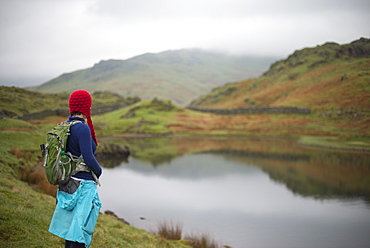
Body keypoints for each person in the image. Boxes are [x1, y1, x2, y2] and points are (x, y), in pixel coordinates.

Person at [49, 90, 102, 248]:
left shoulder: (65, 126)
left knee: (70, 230)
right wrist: (98, 172)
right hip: (83, 186)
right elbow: (88, 157)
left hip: (68, 183)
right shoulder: (82, 129)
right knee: (80, 232)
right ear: (87, 107)